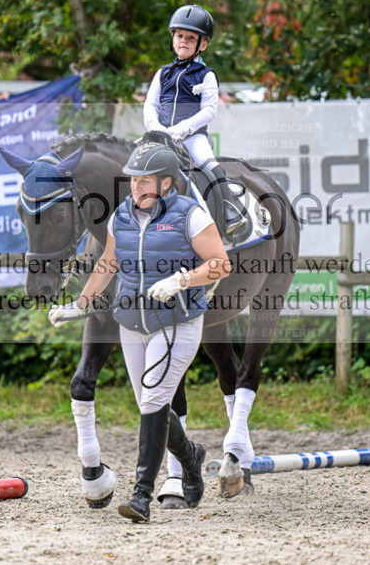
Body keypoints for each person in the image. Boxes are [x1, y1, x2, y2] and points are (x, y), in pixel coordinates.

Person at [50, 143, 232, 523]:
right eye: (133, 180)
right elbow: (108, 262)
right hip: (132, 325)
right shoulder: (121, 216)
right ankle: (191, 455)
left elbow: (221, 264)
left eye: (145, 181)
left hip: (177, 323)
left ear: (167, 183)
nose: (136, 187)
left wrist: (182, 280)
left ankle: (141, 496)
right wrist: (80, 304)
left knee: (153, 404)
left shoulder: (190, 216)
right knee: (153, 407)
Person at [143, 4, 249, 242]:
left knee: (209, 164)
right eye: (180, 36)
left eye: (191, 38)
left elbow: (209, 111)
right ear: (173, 38)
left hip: (192, 138)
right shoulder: (162, 73)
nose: (184, 41)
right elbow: (150, 105)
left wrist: (180, 131)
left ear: (202, 44)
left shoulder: (206, 75)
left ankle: (230, 211)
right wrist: (157, 129)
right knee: (129, 158)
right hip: (159, 136)